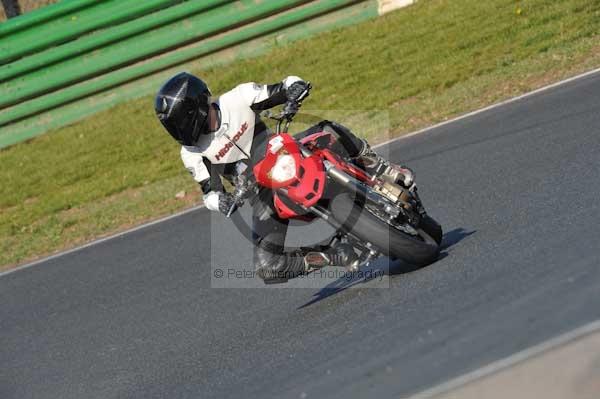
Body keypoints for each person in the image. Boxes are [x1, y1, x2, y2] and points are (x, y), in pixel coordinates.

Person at [155, 72, 414, 284]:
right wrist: (220, 202)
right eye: (172, 126)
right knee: (268, 267)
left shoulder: (238, 98)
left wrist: (294, 89)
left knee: (327, 130)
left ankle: (382, 169)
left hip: (286, 152)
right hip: (262, 193)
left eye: (179, 121)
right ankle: (333, 254)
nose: (177, 131)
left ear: (195, 108)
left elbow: (282, 87)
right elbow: (209, 192)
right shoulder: (191, 154)